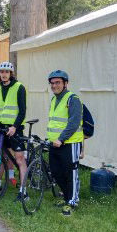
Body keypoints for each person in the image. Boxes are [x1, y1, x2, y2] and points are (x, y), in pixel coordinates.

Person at [0, 61, 28, 202]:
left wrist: (15, 126)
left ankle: (23, 192)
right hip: (0, 128)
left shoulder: (19, 87)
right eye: (1, 72)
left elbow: (22, 111)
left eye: (6, 72)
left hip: (14, 128)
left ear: (11, 73)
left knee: (19, 158)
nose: (4, 74)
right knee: (0, 157)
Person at [47, 70, 83, 216]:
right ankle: (67, 196)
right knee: (56, 171)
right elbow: (55, 123)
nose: (54, 85)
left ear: (65, 83)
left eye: (58, 83)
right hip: (54, 143)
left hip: (70, 143)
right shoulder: (54, 100)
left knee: (71, 172)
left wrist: (61, 139)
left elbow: (73, 123)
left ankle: (72, 201)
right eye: (52, 83)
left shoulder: (72, 99)